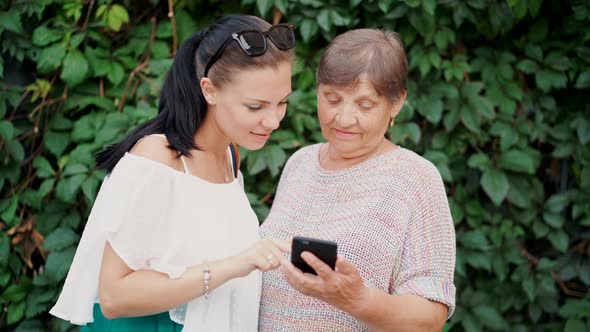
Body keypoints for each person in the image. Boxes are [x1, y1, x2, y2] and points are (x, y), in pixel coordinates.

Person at [49, 15, 295, 332]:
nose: (273, 121)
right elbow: (113, 296)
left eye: (282, 103)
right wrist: (236, 265)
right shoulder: (156, 159)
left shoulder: (229, 156)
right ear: (210, 90)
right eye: (255, 106)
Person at [259, 28, 456, 331]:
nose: (344, 118)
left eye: (365, 105)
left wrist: (356, 299)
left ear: (396, 103)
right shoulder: (299, 162)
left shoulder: (415, 179)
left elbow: (430, 317)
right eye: (332, 99)